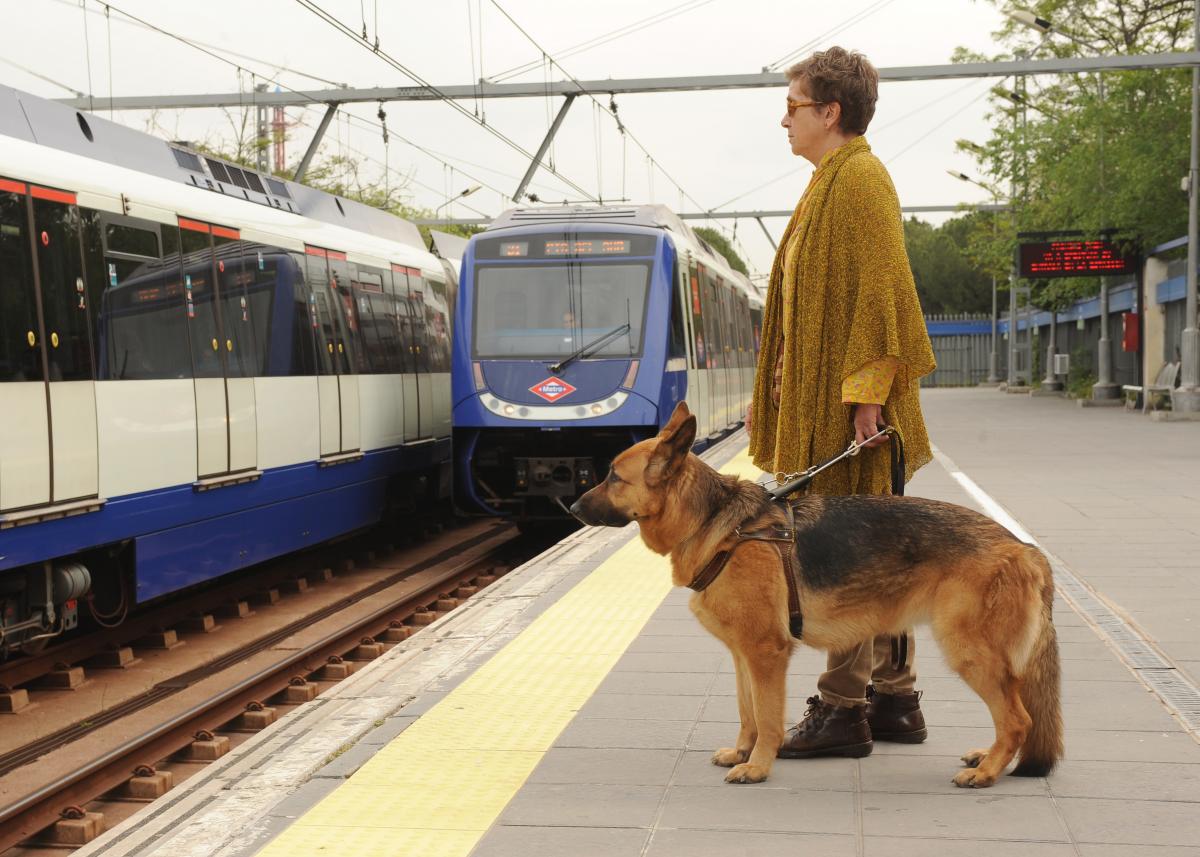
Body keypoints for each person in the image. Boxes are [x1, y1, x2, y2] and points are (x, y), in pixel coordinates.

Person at [746, 47, 937, 759]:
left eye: (793, 106)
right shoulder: (830, 181)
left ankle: (840, 709)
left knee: (841, 555)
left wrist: (866, 396)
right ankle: (896, 697)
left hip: (857, 411)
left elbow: (883, 294)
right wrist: (775, 388)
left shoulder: (859, 180)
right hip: (839, 400)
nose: (784, 120)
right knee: (881, 549)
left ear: (830, 112)